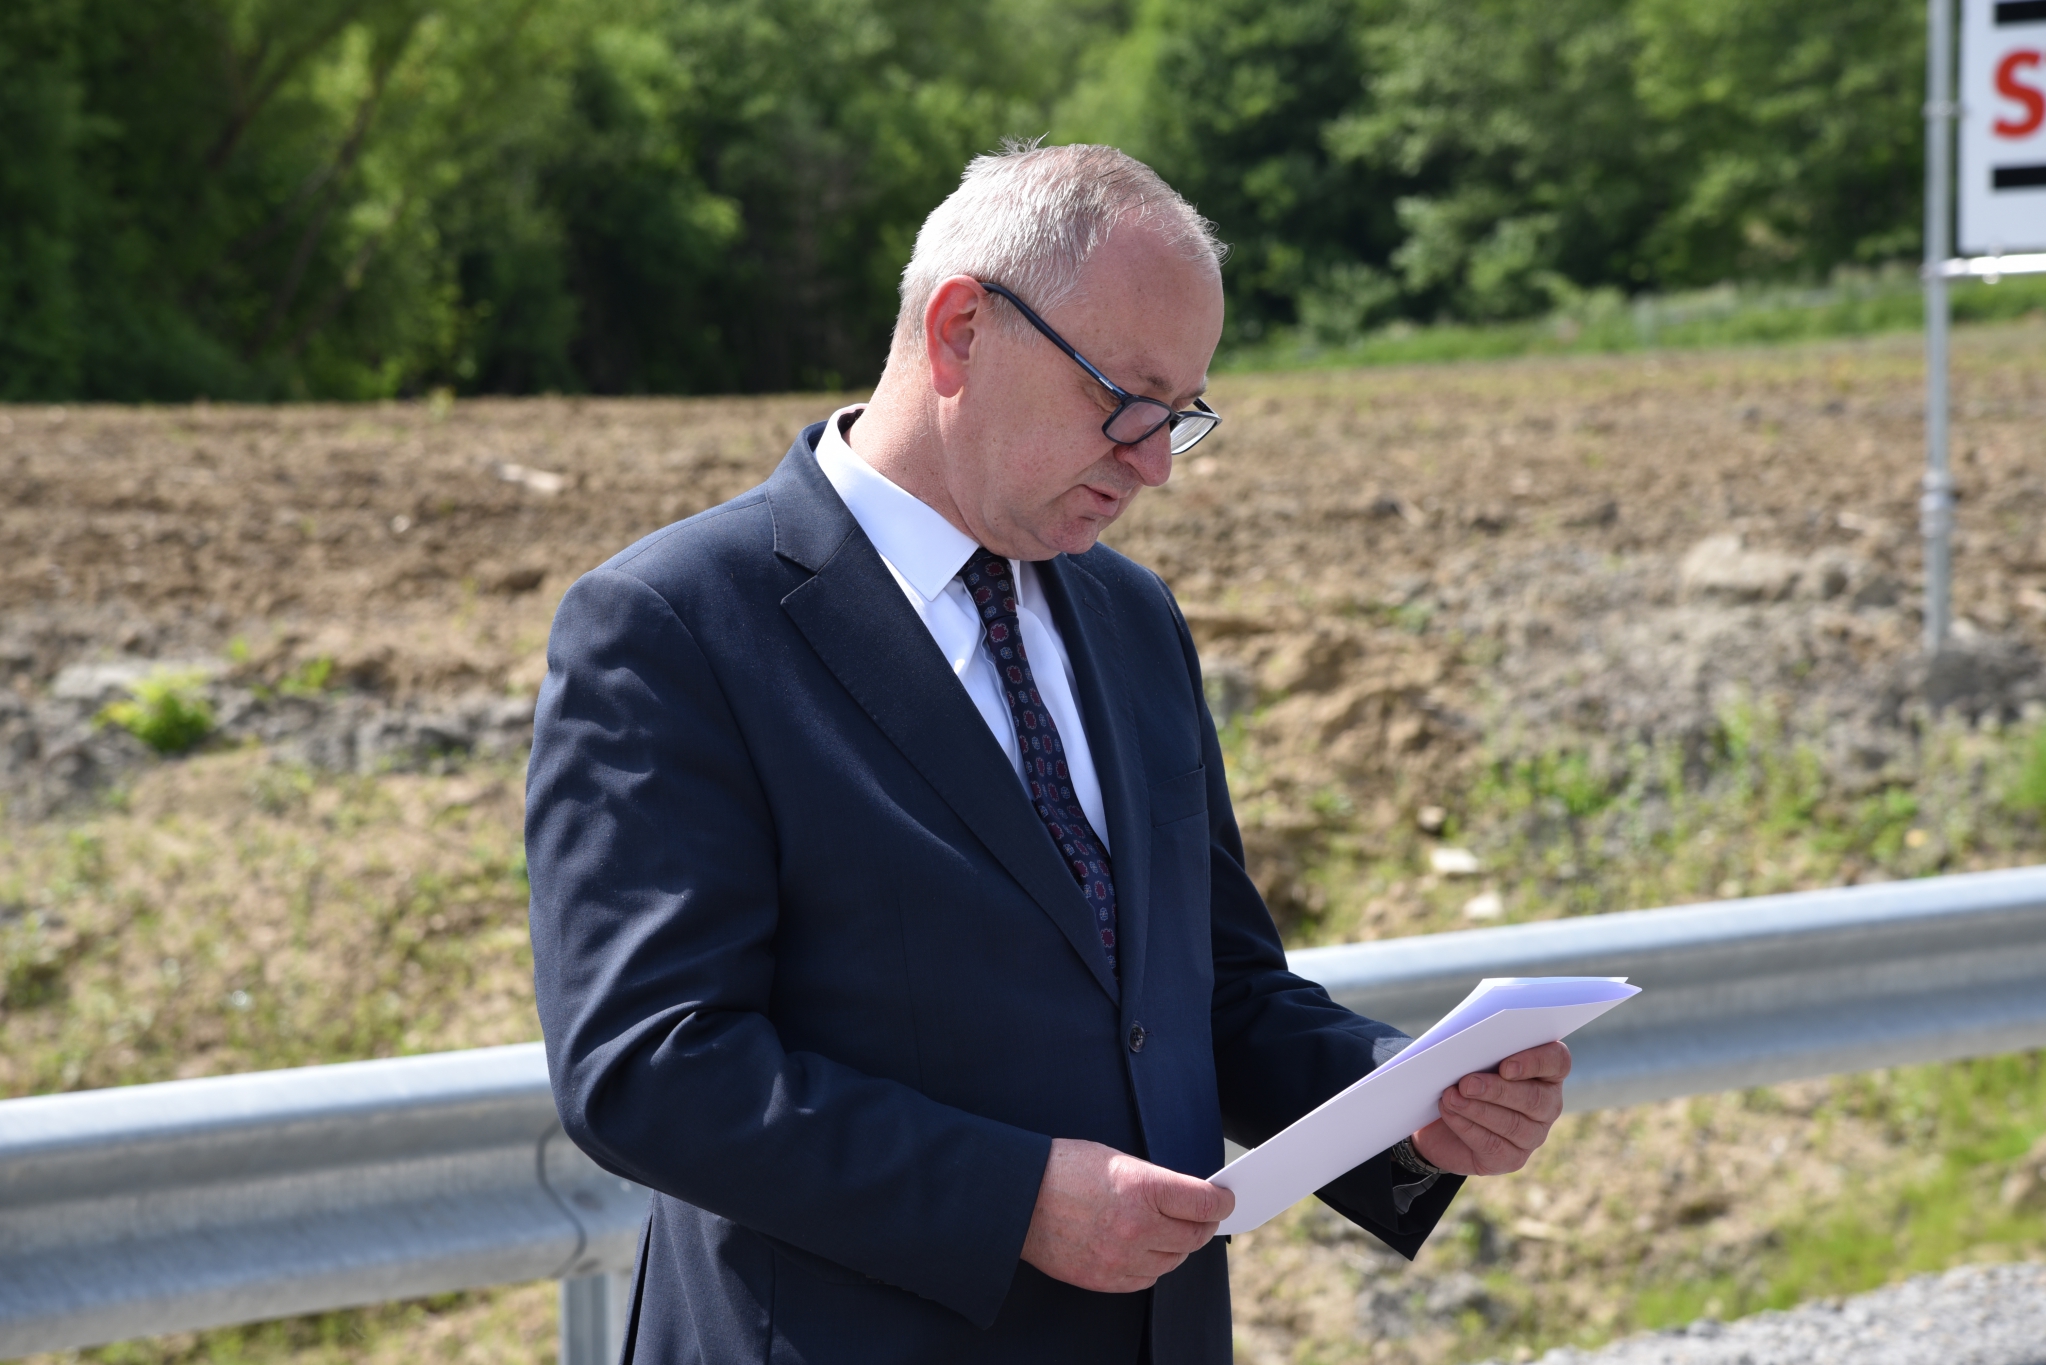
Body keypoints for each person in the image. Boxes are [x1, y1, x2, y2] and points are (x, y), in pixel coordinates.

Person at [526, 141, 1570, 1365]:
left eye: (1180, 418)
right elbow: (650, 1068)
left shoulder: (1131, 615)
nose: (1151, 465)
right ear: (961, 331)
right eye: (1125, 401)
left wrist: (1409, 1105)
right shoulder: (675, 623)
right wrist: (1013, 1200)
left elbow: (1211, 990)